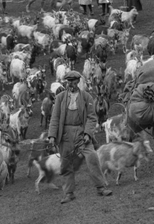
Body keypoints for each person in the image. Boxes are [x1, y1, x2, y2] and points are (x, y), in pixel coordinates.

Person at [47, 70, 112, 203]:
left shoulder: (86, 97)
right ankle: (68, 193)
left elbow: (92, 117)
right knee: (66, 164)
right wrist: (52, 136)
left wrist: (88, 133)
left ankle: (101, 187)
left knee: (92, 157)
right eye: (69, 81)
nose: (71, 84)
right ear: (66, 82)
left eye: (74, 81)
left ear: (78, 82)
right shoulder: (60, 98)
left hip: (82, 134)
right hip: (65, 135)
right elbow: (55, 118)